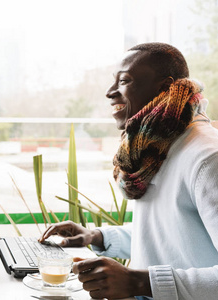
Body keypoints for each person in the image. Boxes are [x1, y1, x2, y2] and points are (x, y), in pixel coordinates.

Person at [39, 42, 218, 300]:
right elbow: (171, 235)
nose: (110, 92)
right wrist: (96, 236)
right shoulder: (159, 148)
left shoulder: (207, 159)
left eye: (124, 81)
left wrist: (138, 283)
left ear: (165, 88)